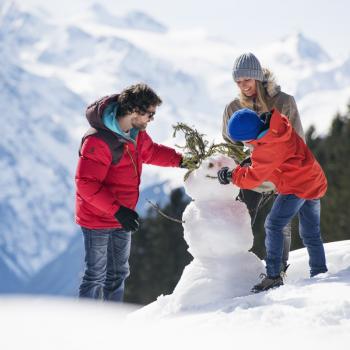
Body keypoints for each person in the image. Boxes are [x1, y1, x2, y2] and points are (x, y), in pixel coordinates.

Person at [75, 83, 186, 301]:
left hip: (121, 216)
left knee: (118, 274)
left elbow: (151, 152)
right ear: (135, 111)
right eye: (150, 114)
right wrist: (117, 211)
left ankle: (112, 325)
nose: (151, 119)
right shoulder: (98, 140)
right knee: (95, 275)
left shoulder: (136, 133)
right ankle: (84, 328)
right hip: (97, 218)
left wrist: (181, 160)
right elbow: (86, 184)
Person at [217, 108, 328, 292]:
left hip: (297, 186)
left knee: (274, 224)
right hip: (313, 179)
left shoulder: (268, 148)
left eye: (245, 142)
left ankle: (274, 276)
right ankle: (320, 272)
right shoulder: (278, 126)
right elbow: (271, 158)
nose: (245, 145)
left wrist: (231, 175)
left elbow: (253, 178)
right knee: (311, 232)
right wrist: (252, 160)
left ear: (250, 137)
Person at [222, 52, 305, 273]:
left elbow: (298, 139)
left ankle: (278, 268)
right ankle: (236, 269)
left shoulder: (284, 102)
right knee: (241, 213)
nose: (243, 86)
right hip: (253, 171)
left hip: (283, 169)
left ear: (258, 78)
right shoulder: (233, 107)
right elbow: (230, 144)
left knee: (280, 221)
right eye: (238, 82)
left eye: (247, 80)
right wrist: (240, 164)